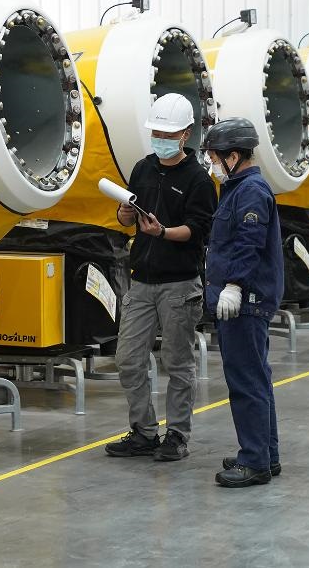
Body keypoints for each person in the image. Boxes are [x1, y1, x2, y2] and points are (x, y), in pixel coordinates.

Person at [105, 93, 217, 462]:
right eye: (156, 133)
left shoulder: (198, 179)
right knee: (128, 358)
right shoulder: (143, 169)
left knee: (178, 362)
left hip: (179, 286)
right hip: (141, 281)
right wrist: (124, 215)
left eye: (168, 134)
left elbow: (199, 231)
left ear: (186, 134)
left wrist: (163, 232)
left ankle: (178, 435)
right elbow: (127, 218)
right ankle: (144, 431)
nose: (161, 139)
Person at [201, 118, 284, 487]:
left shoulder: (250, 191)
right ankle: (265, 454)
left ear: (233, 157)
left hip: (245, 301)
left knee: (246, 380)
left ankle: (254, 462)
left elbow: (248, 244)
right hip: (245, 298)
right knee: (257, 378)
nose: (212, 165)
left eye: (214, 158)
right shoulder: (238, 188)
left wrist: (233, 286)